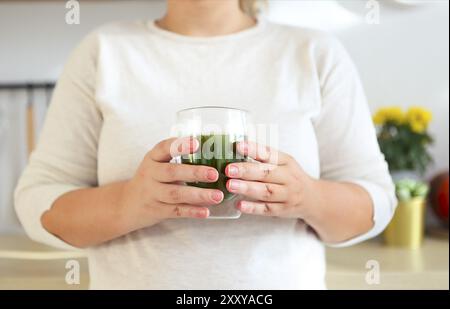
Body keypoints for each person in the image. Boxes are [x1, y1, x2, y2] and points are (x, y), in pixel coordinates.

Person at [15, 0, 396, 289]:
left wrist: (307, 197)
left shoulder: (314, 53)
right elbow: (38, 202)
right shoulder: (104, 51)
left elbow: (376, 202)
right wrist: (129, 202)